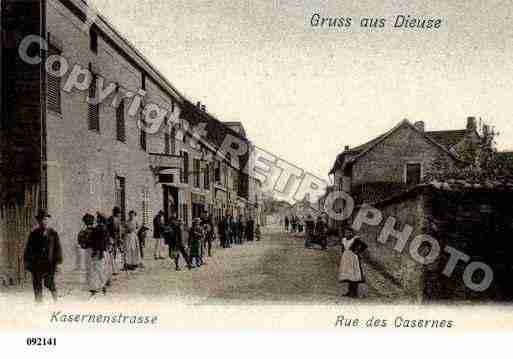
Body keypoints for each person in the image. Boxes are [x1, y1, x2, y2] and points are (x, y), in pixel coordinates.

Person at [24, 209, 63, 303]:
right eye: (41, 220)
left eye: (45, 219)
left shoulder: (53, 233)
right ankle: (38, 302)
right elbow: (28, 249)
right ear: (38, 221)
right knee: (37, 283)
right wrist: (27, 262)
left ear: (48, 220)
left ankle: (56, 299)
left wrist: (58, 263)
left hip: (50, 263)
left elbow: (58, 249)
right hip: (37, 263)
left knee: (49, 282)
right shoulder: (33, 234)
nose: (43, 222)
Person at [83, 213, 109, 297]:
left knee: (97, 268)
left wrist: (98, 251)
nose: (96, 220)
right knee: (96, 269)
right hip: (98, 251)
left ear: (100, 220)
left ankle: (102, 285)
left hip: (98, 251)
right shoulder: (98, 228)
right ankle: (97, 286)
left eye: (98, 219)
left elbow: (100, 242)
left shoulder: (100, 229)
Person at [338, 231, 367, 298]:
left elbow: (364, 246)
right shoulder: (344, 239)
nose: (347, 234)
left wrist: (357, 251)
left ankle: (354, 293)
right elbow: (343, 248)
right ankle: (349, 292)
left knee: (354, 275)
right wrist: (343, 254)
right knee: (348, 275)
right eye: (346, 233)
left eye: (349, 233)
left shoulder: (355, 239)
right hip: (346, 258)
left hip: (353, 258)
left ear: (351, 233)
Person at [107, 207, 123, 275]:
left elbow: (119, 230)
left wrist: (120, 238)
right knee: (111, 254)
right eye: (118, 213)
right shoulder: (110, 219)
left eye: (119, 213)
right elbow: (108, 229)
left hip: (116, 238)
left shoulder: (118, 219)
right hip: (111, 238)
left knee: (116, 254)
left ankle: (116, 268)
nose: (119, 214)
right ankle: (112, 270)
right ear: (115, 212)